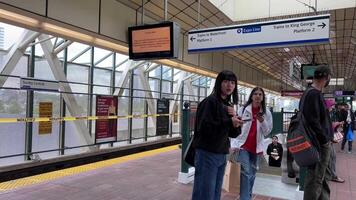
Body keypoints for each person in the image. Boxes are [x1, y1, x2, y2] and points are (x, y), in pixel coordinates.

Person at [191, 70, 243, 200]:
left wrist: (235, 123)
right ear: (219, 83)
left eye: (232, 82)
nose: (229, 85)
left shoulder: (227, 105)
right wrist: (229, 121)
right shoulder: (210, 102)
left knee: (215, 193)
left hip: (221, 153)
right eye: (225, 81)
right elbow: (204, 128)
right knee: (205, 193)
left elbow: (231, 133)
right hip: (207, 153)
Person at [230, 87, 273, 200]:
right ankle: (245, 198)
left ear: (263, 98)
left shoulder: (266, 113)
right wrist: (234, 145)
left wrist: (262, 121)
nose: (258, 96)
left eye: (260, 94)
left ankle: (247, 196)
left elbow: (267, 132)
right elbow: (236, 128)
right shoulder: (243, 110)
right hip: (243, 147)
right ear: (251, 96)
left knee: (252, 174)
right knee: (245, 173)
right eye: (255, 94)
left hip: (257, 149)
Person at [301, 65, 332, 200]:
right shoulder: (313, 94)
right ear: (327, 78)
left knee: (322, 176)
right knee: (315, 179)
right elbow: (314, 122)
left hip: (318, 142)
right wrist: (325, 140)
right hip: (318, 144)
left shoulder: (310, 93)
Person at [325, 99, 345, 183]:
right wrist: (336, 124)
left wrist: (336, 124)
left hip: (328, 139)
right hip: (327, 140)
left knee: (331, 158)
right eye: (331, 105)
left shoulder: (327, 114)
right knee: (331, 158)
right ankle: (332, 176)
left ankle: (330, 175)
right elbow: (326, 127)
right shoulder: (325, 115)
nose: (333, 107)